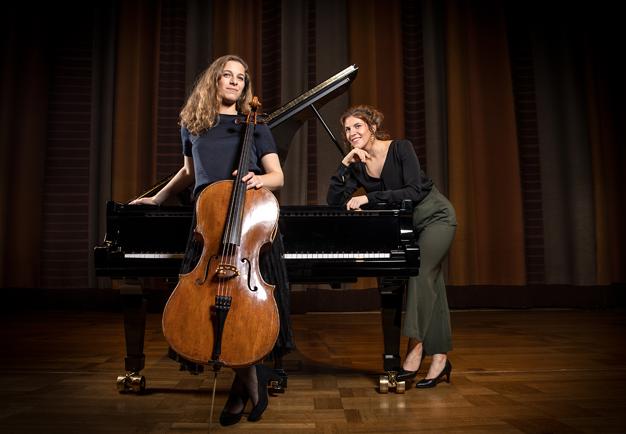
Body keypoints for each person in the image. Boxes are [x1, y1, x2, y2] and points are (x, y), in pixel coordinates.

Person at [131, 54, 294, 424]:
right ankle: (250, 380)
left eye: (241, 77)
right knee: (210, 303)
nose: (235, 82)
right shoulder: (193, 124)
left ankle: (242, 389)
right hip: (208, 223)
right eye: (228, 75)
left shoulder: (254, 124)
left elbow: (277, 176)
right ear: (214, 81)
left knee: (246, 309)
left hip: (248, 225)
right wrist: (158, 197)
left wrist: (257, 180)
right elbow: (190, 171)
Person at [327, 105, 457, 389]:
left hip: (435, 217)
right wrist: (345, 164)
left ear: (372, 127)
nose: (352, 133)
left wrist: (368, 200)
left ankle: (415, 350)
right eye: (348, 129)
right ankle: (440, 359)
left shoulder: (401, 148)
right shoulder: (358, 165)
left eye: (357, 126)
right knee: (432, 283)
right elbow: (334, 202)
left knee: (420, 275)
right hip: (405, 227)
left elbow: (413, 190)